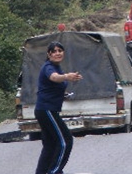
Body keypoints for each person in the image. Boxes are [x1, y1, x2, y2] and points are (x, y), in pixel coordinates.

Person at [34, 41, 83, 174]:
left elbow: (50, 87)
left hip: (45, 109)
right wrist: (67, 76)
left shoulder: (57, 66)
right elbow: (54, 78)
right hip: (46, 110)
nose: (57, 53)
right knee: (65, 141)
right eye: (54, 51)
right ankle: (54, 171)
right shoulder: (48, 67)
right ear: (49, 54)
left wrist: (64, 94)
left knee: (50, 145)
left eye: (60, 51)